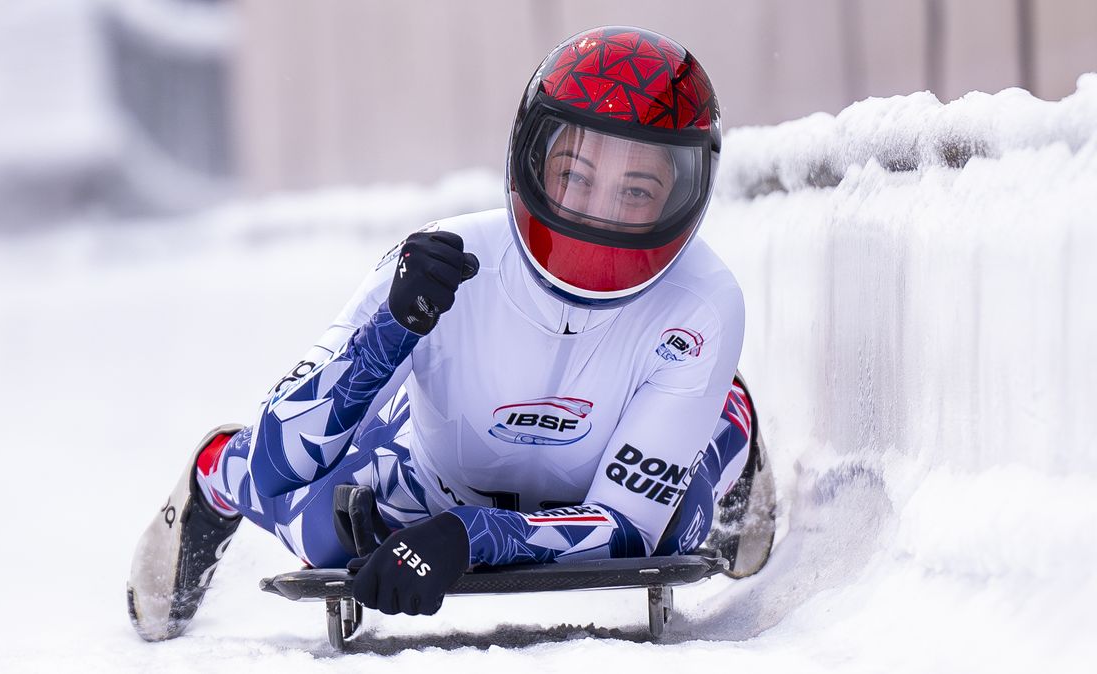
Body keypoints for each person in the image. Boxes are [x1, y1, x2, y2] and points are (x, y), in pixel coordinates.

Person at [127, 25, 768, 641]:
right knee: (324, 532)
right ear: (533, 161)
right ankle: (214, 477)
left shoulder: (703, 304)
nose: (595, 210)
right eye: (574, 175)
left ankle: (725, 415)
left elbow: (628, 528)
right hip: (429, 472)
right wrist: (391, 332)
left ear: (685, 193)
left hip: (589, 479)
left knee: (675, 526)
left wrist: (469, 538)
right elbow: (279, 459)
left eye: (636, 190)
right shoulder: (447, 257)